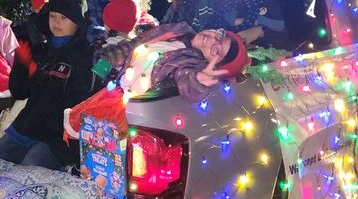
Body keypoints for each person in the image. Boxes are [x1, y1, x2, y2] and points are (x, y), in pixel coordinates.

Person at [65, 23, 249, 141]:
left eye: (216, 51)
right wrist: (105, 59)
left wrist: (198, 82)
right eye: (220, 35)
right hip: (112, 92)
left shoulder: (191, 61)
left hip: (130, 115)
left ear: (212, 64)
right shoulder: (178, 30)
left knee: (102, 159)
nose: (212, 40)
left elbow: (187, 81)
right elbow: (135, 44)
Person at [0, 0, 97, 170]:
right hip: (26, 128)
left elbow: (78, 103)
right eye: (52, 16)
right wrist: (22, 65)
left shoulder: (86, 57)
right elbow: (20, 92)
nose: (56, 22)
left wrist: (44, 79)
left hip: (56, 139)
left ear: (78, 21)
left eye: (64, 18)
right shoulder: (40, 51)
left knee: (29, 168)